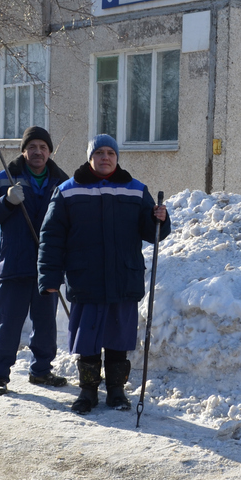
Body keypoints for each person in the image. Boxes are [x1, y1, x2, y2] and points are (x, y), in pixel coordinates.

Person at [37, 134, 171, 414]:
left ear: (117, 157)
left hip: (123, 278)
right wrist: (49, 277)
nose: (106, 157)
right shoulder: (68, 190)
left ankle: (116, 392)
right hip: (86, 278)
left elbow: (152, 234)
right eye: (100, 153)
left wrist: (159, 219)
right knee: (88, 339)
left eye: (111, 152)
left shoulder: (136, 190)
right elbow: (51, 236)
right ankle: (87, 393)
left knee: (118, 338)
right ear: (90, 157)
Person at [0, 126, 70, 396]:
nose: (38, 152)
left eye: (43, 147)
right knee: (8, 323)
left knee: (45, 324)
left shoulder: (61, 183)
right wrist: (6, 202)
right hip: (15, 265)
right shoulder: (4, 179)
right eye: (32, 147)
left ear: (50, 151)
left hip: (47, 266)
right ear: (23, 150)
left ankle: (41, 371)